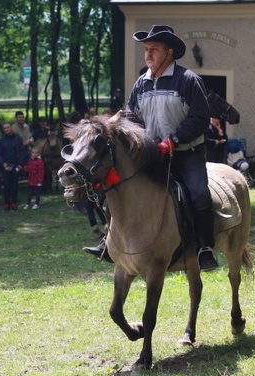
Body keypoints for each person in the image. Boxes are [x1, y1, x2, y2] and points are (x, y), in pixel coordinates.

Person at [85, 25, 218, 271]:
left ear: (169, 53)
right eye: (146, 49)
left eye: (154, 49)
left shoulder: (188, 80)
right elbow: (133, 120)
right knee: (117, 189)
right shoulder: (140, 84)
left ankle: (204, 247)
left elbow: (200, 118)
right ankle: (109, 241)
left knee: (199, 193)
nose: (148, 54)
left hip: (187, 154)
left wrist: (173, 140)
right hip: (151, 155)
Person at [0, 122, 25, 211]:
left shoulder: (17, 139)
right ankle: (6, 203)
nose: (6, 129)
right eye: (4, 128)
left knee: (14, 185)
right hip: (5, 165)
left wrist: (20, 164)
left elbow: (22, 152)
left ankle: (14, 202)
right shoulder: (2, 140)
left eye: (8, 127)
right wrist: (3, 163)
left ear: (11, 128)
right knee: (6, 185)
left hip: (15, 165)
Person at [22, 145, 45, 209]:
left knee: (37, 193)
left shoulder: (40, 162)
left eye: (36, 153)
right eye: (33, 153)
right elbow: (29, 169)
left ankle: (37, 203)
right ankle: (28, 203)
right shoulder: (30, 160)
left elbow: (41, 172)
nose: (34, 154)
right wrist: (23, 168)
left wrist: (40, 181)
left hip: (37, 180)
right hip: (31, 179)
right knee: (30, 193)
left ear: (38, 154)